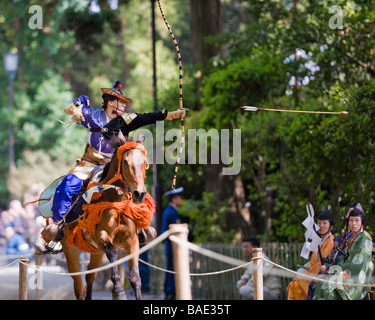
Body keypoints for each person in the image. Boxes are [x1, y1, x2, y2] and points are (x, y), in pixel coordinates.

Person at [41, 80, 187, 243]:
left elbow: (147, 117)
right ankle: (59, 224)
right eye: (121, 102)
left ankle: (141, 225)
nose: (124, 106)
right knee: (69, 183)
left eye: (125, 103)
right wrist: (74, 110)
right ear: (110, 102)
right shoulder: (93, 115)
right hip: (90, 163)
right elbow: (70, 109)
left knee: (136, 185)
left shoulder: (126, 120)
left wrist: (172, 115)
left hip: (115, 165)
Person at [312, 203, 373, 300]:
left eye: (357, 221)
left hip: (354, 277)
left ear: (362, 222)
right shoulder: (345, 238)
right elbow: (334, 257)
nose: (354, 224)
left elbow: (357, 264)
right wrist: (329, 268)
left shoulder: (364, 238)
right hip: (341, 272)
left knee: (328, 288)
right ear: (348, 222)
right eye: (351, 220)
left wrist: (335, 271)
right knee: (321, 283)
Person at [286, 209, 335, 300]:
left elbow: (321, 263)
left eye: (325, 223)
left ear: (331, 227)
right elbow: (312, 262)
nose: (321, 226)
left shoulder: (331, 241)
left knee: (295, 287)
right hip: (313, 272)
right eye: (319, 223)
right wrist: (302, 273)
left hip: (322, 274)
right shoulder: (320, 241)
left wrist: (305, 274)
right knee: (294, 283)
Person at [160, 187, 184, 300]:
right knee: (172, 267)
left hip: (169, 244)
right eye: (180, 198)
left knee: (171, 267)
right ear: (174, 199)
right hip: (172, 244)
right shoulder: (172, 212)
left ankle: (169, 290)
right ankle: (171, 291)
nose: (182, 200)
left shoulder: (169, 210)